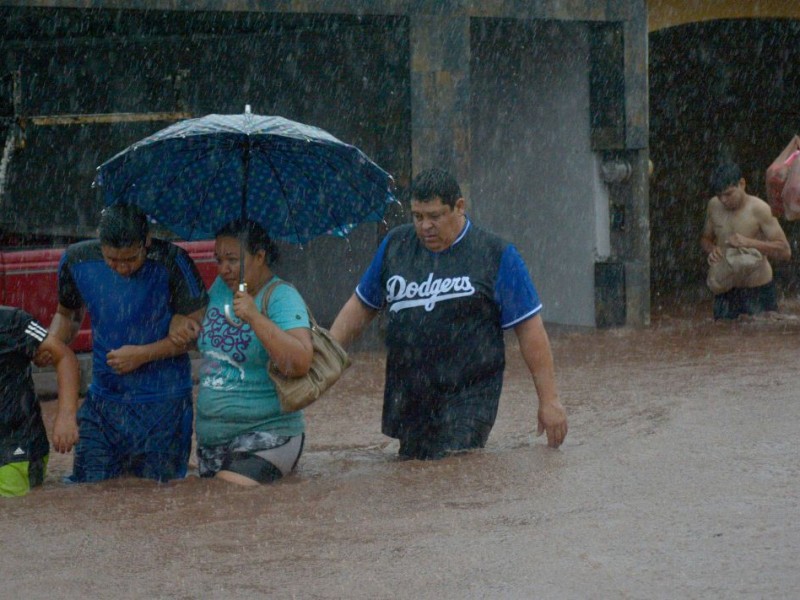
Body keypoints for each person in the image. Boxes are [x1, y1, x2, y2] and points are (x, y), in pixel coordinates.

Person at [330, 168, 568, 460]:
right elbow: (362, 306)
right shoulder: (395, 246)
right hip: (410, 393)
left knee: (456, 470)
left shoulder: (495, 254)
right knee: (412, 475)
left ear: (459, 207)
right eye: (417, 217)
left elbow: (530, 329)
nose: (425, 226)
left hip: (470, 393)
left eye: (435, 216)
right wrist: (327, 354)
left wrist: (549, 400)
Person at [47, 203, 208, 483]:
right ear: (99, 240)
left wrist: (143, 355)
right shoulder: (76, 260)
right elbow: (67, 315)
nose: (121, 268)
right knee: (89, 490)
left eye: (131, 259)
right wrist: (49, 346)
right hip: (102, 404)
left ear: (147, 241)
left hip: (163, 407)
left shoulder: (173, 261)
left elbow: (199, 334)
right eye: (112, 260)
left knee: (158, 498)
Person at [171, 219, 313, 486]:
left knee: (225, 496)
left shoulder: (281, 296)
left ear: (259, 257)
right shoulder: (219, 291)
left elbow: (300, 362)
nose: (223, 269)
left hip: (268, 434)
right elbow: (199, 334)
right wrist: (179, 323)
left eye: (232, 260)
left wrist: (255, 317)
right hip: (213, 441)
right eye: (218, 260)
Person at [1, 305, 80, 496]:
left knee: (14, 515)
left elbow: (64, 356)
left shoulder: (12, 322)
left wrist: (66, 417)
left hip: (16, 448)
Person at [700, 163, 791, 320]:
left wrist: (749, 242)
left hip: (757, 290)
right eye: (719, 195)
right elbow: (705, 238)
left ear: (742, 184)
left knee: (761, 340)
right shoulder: (713, 205)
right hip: (726, 290)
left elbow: (785, 251)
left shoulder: (760, 209)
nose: (724, 200)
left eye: (728, 194)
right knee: (720, 338)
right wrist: (711, 249)